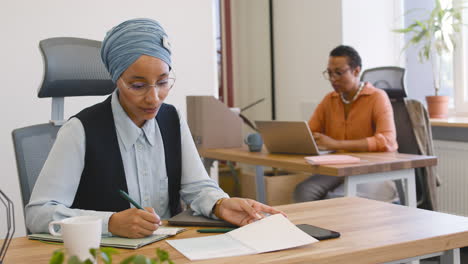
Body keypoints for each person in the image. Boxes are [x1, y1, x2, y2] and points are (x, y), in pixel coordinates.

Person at [26, 18, 283, 239]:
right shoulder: (80, 129)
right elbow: (38, 214)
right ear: (117, 80)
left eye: (162, 82)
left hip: (166, 250)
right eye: (138, 86)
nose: (154, 98)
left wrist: (220, 204)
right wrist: (110, 223)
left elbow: (197, 187)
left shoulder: (172, 119)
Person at [294, 45, 398, 202]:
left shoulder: (377, 97)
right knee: (303, 191)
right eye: (329, 73)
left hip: (371, 170)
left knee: (336, 199)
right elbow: (309, 133)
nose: (333, 79)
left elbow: (387, 141)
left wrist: (336, 144)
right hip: (339, 168)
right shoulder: (330, 99)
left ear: (356, 71)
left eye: (338, 73)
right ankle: (305, 228)